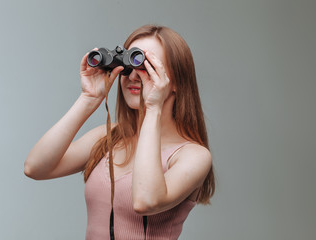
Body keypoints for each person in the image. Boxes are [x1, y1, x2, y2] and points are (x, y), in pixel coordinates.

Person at [24, 24, 215, 239]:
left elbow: (146, 201)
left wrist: (153, 108)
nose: (133, 76)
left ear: (176, 81)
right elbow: (35, 167)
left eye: (146, 66)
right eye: (128, 63)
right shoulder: (110, 137)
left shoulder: (192, 155)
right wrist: (89, 98)